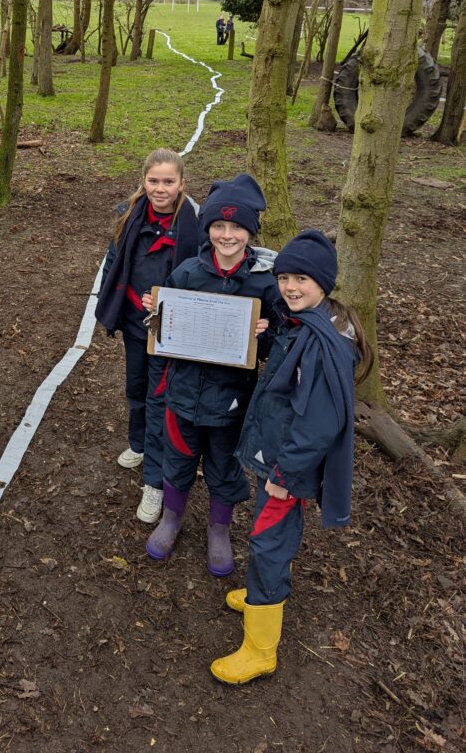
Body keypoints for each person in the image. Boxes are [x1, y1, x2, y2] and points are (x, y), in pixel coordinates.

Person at [210, 229, 373, 685]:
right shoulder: (304, 323)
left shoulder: (324, 346)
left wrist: (285, 472)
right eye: (283, 278)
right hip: (279, 456)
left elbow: (319, 423)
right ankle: (267, 595)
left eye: (300, 278)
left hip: (288, 466)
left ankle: (261, 648)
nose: (289, 287)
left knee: (268, 540)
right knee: (271, 533)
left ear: (323, 282)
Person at [144, 173, 278, 576]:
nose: (226, 234)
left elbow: (275, 348)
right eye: (218, 225)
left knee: (224, 464)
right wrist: (156, 314)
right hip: (183, 392)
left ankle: (219, 529)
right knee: (179, 456)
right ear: (208, 229)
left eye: (236, 227)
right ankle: (172, 517)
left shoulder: (264, 284)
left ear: (250, 232)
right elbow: (162, 334)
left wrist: (265, 337)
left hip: (232, 401)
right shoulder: (187, 273)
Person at [96, 149, 199, 524]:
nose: (160, 188)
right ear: (144, 181)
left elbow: (200, 275)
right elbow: (114, 260)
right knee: (136, 388)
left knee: (160, 402)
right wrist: (111, 301)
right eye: (153, 181)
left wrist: (169, 301)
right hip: (134, 322)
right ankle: (138, 444)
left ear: (181, 184)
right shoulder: (128, 214)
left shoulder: (195, 223)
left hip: (171, 331)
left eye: (168, 182)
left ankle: (155, 482)